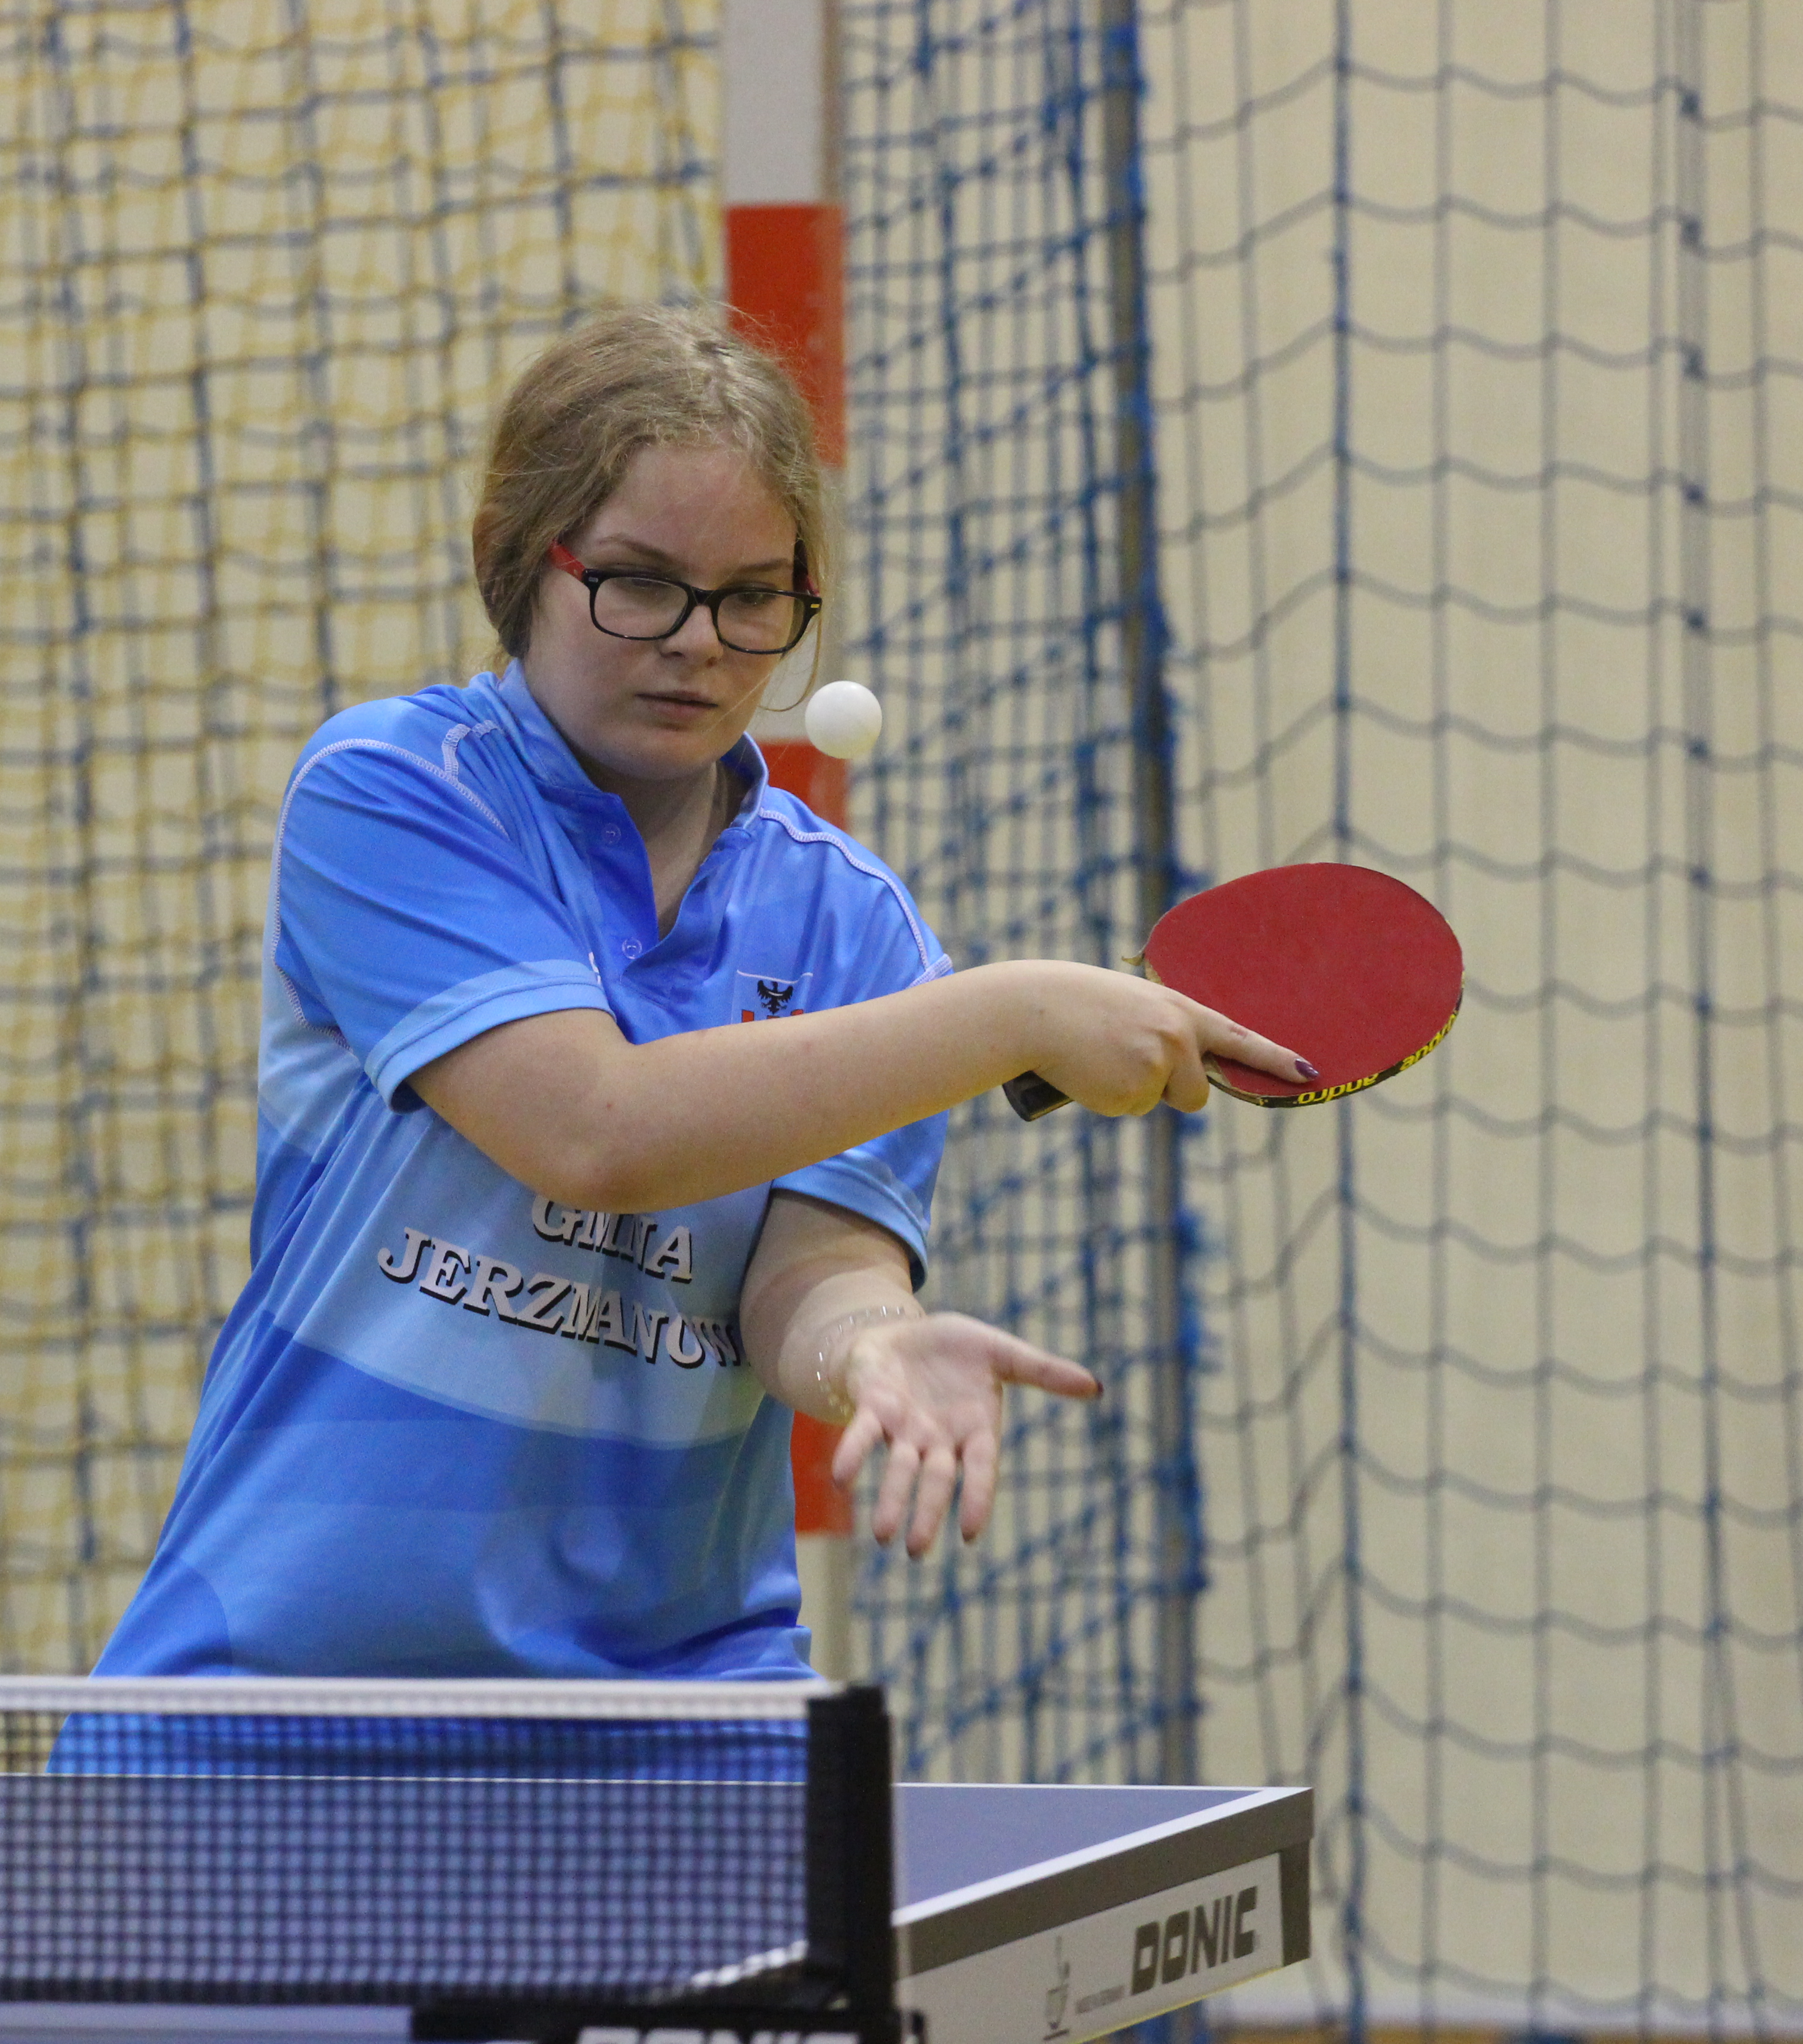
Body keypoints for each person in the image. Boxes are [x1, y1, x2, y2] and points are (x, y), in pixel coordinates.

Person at [89, 305, 1304, 1705]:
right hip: (288, 1691)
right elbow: (594, 1131)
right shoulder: (398, 792)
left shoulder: (851, 924)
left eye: (750, 599)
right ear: (519, 557)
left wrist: (875, 1348)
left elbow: (805, 1282)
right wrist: (1015, 1013)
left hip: (676, 1717)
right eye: (639, 583)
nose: (698, 645)